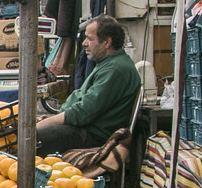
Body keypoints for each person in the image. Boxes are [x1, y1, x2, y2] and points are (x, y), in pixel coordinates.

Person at [36, 15, 141, 155]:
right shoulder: (108, 64)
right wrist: (51, 118)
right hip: (83, 128)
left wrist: (47, 123)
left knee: (29, 138)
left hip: (92, 135)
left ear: (107, 42)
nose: (84, 43)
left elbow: (83, 113)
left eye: (90, 39)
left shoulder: (115, 70)